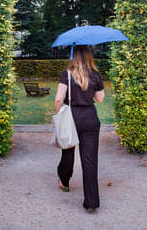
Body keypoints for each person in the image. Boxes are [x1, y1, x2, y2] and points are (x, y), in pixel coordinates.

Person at [54, 45, 105, 213]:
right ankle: (91, 203)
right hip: (90, 118)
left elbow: (58, 99)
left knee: (67, 151)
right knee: (89, 160)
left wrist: (61, 113)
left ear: (73, 56)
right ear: (89, 56)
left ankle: (65, 182)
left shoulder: (66, 74)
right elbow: (100, 99)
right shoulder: (95, 74)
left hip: (72, 117)